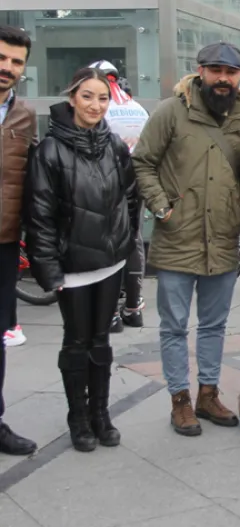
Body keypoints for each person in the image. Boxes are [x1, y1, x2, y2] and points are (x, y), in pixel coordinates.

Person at [133, 43, 240, 437]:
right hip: (177, 237)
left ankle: (207, 393)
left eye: (231, 72)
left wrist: (239, 210)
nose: (223, 78)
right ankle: (180, 400)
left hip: (221, 237)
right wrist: (161, 206)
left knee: (214, 325)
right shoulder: (172, 112)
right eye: (216, 70)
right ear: (200, 71)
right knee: (173, 327)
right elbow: (143, 161)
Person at [26, 68, 138, 452]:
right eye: (87, 96)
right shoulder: (48, 151)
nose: (95, 105)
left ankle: (100, 413)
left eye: (103, 98)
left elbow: (131, 195)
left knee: (101, 339)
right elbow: (39, 216)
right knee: (76, 341)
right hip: (71, 266)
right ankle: (78, 417)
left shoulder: (115, 145)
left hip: (110, 262)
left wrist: (126, 241)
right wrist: (48, 269)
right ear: (72, 97)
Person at [89, 60, 150, 332]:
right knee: (134, 240)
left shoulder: (101, 107)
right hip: (137, 180)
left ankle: (111, 313)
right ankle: (134, 307)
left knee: (108, 243)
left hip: (107, 181)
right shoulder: (136, 108)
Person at [0, 25, 38, 456]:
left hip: (5, 243)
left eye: (15, 61)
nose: (7, 68)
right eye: (2, 58)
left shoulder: (23, 116)